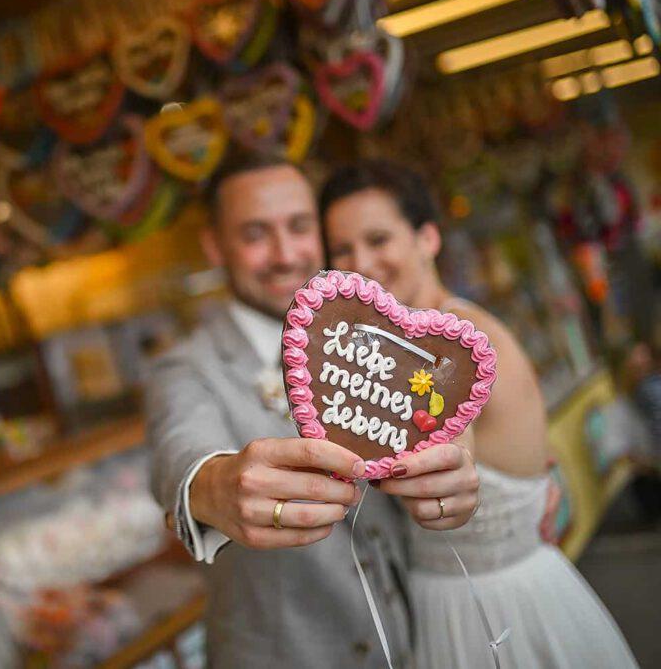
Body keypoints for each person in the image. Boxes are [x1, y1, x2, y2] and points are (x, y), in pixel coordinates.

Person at [145, 153, 481, 668]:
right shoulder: (185, 369)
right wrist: (213, 485)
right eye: (255, 234)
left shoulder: (374, 339)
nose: (284, 255)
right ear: (216, 246)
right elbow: (180, 453)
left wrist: (457, 481)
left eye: (299, 227)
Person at [318, 158, 638, 668]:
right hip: (480, 591)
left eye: (378, 240)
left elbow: (448, 457)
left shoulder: (445, 344)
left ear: (427, 239)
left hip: (487, 612)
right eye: (342, 249)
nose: (361, 261)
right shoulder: (425, 334)